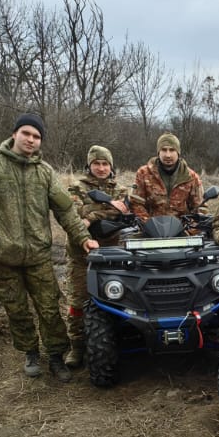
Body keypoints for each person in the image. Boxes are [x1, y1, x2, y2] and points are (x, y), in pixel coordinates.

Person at [0, 113, 98, 382]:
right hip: (1, 255)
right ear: (14, 134)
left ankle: (56, 355)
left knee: (49, 307)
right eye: (26, 133)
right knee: (16, 308)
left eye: (36, 136)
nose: (31, 139)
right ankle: (31, 352)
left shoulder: (44, 172)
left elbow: (65, 210)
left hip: (38, 255)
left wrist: (83, 237)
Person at [62, 144, 130, 367]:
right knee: (78, 302)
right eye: (96, 163)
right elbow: (73, 215)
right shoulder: (76, 187)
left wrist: (91, 216)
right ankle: (77, 346)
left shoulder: (120, 189)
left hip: (113, 254)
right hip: (82, 255)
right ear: (89, 165)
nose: (101, 168)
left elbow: (121, 212)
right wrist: (106, 209)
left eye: (105, 164)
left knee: (118, 298)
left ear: (111, 166)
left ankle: (113, 341)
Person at [130, 133, 204, 228]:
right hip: (150, 229)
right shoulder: (143, 173)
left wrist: (190, 229)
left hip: (182, 231)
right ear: (158, 152)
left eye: (172, 150)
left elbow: (200, 208)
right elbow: (136, 203)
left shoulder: (191, 177)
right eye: (164, 150)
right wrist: (148, 225)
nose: (168, 155)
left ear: (178, 152)